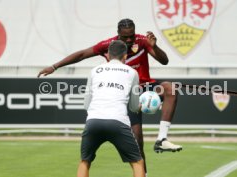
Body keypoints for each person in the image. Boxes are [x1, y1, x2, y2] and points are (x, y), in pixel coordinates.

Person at [38, 18, 182, 173]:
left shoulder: (142, 41)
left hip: (145, 87)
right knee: (137, 139)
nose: (128, 39)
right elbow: (82, 54)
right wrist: (54, 66)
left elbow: (164, 61)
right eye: (124, 37)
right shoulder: (108, 46)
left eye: (131, 36)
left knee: (170, 89)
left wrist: (155, 46)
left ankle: (161, 139)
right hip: (126, 93)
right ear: (118, 34)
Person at [77, 40, 145, 177]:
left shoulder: (95, 70)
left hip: (93, 121)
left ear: (108, 55)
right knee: (137, 162)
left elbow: (86, 104)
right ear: (125, 56)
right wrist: (142, 107)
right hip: (118, 121)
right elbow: (133, 107)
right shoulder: (132, 72)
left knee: (85, 161)